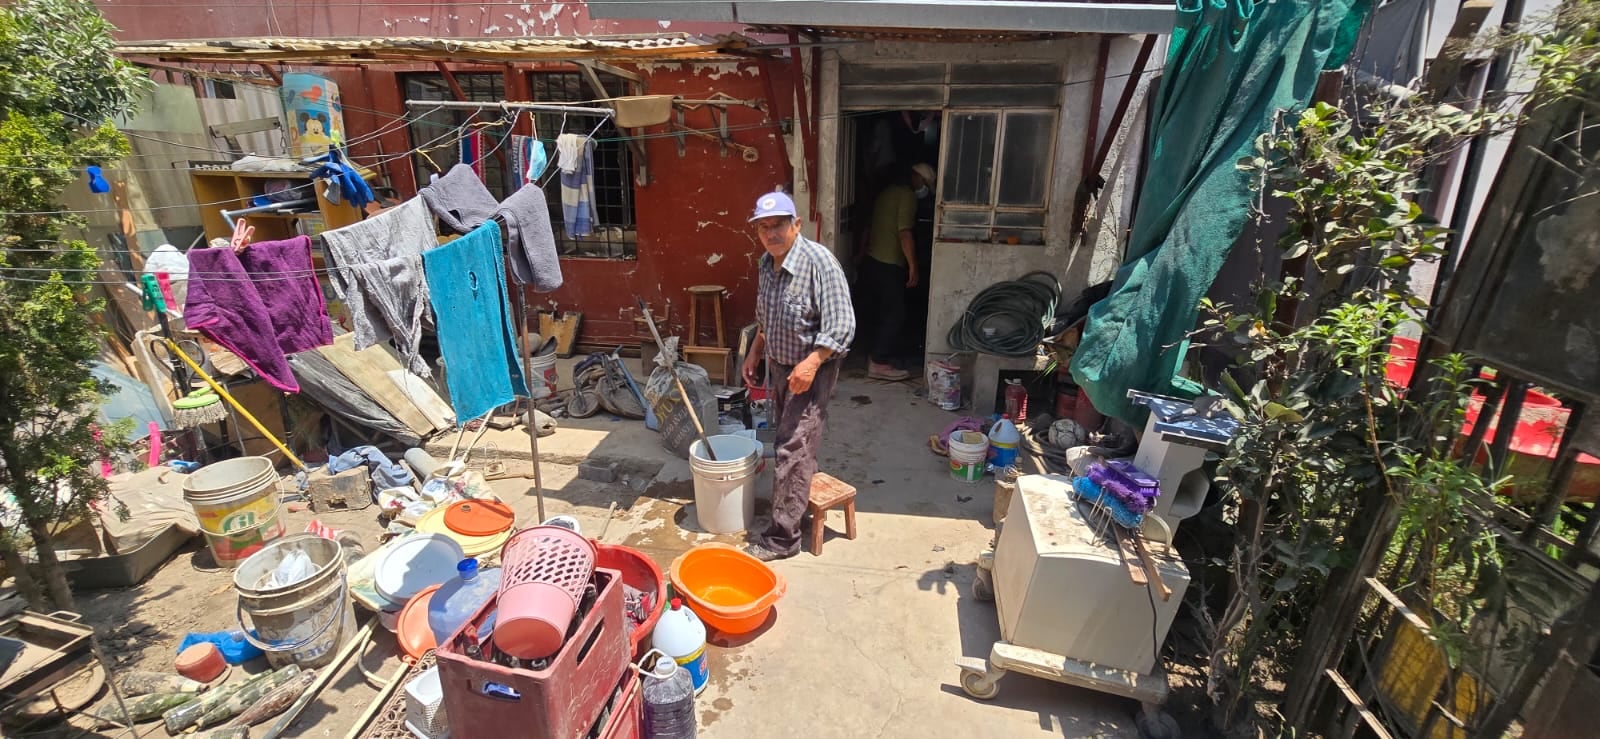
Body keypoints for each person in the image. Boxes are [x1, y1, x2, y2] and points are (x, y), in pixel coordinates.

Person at [740, 191, 856, 561]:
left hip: (813, 369)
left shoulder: (820, 263)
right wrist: (756, 351)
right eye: (763, 227)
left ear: (796, 225)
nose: (771, 234)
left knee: (791, 446)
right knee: (796, 443)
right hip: (779, 364)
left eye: (778, 226)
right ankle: (795, 502)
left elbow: (842, 326)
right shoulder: (766, 263)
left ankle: (782, 539)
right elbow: (765, 316)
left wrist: (812, 362)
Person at [860, 163, 935, 380]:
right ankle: (879, 362)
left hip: (874, 259)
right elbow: (905, 233)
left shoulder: (887, 192)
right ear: (917, 178)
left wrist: (861, 252)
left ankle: (874, 355)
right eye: (925, 184)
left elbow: (869, 225)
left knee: (882, 311)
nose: (924, 189)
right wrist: (913, 266)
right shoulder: (907, 196)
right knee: (895, 314)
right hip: (889, 262)